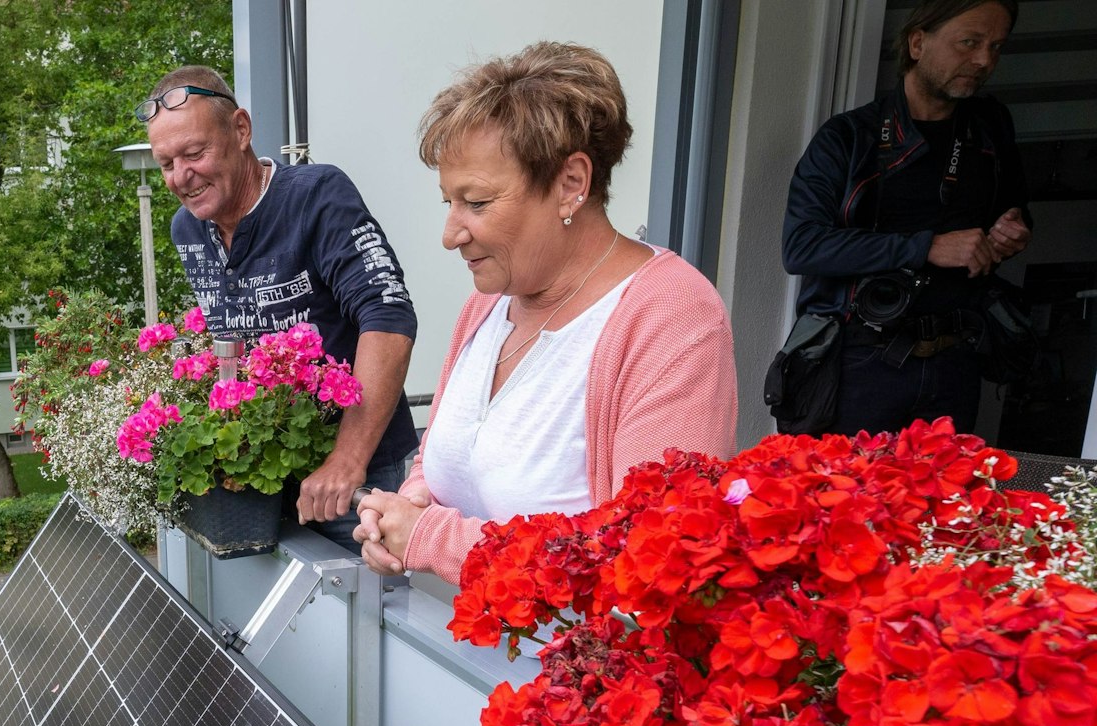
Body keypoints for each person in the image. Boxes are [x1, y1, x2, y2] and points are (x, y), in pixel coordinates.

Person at [355, 41, 737, 583]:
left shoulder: (672, 316)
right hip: (448, 656)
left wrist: (428, 537)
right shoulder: (489, 302)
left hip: (565, 666)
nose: (450, 234)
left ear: (571, 184)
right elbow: (445, 458)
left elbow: (650, 553)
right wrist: (409, 501)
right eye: (450, 202)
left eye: (478, 202)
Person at [142, 66, 417, 551]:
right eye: (166, 163)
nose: (182, 176)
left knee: (372, 616)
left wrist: (347, 461)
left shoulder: (316, 196)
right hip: (267, 490)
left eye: (195, 152)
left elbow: (388, 314)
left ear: (241, 130)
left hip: (361, 483)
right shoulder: (186, 229)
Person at [782, 0, 1028, 437]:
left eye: (996, 46)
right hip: (859, 363)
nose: (984, 60)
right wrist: (927, 246)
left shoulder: (990, 127)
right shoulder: (848, 137)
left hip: (956, 361)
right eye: (969, 42)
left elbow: (1013, 206)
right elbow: (802, 245)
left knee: (946, 504)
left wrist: (1012, 227)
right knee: (843, 502)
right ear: (918, 43)